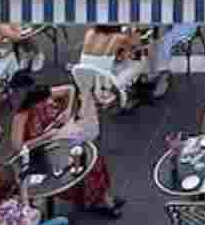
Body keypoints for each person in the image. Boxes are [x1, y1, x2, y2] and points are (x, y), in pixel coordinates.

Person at [9, 85, 125, 217]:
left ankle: (102, 198)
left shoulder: (45, 96)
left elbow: (70, 89)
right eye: (44, 102)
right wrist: (44, 137)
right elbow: (19, 148)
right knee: (78, 170)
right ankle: (105, 202)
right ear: (35, 103)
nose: (49, 103)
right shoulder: (21, 117)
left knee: (92, 161)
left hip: (59, 140)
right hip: (40, 154)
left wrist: (67, 111)